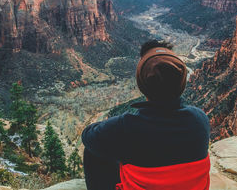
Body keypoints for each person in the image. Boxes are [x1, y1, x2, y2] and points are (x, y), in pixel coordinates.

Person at [82, 40, 211, 190]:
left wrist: (112, 124)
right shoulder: (200, 119)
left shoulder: (126, 127)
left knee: (93, 151)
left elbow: (88, 136)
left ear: (142, 83)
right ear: (182, 83)